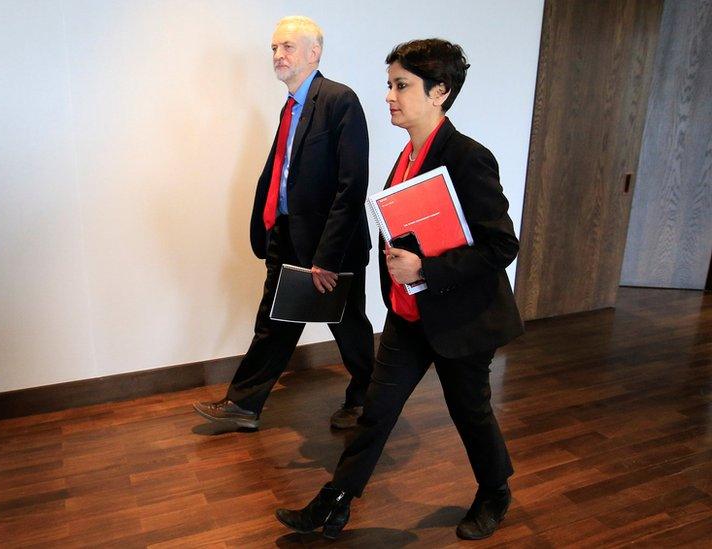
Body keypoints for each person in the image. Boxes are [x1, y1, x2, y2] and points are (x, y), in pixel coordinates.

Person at [274, 38, 524, 540]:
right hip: (409, 318)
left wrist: (426, 270)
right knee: (376, 414)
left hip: (463, 320)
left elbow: (502, 246)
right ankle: (335, 502)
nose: (390, 95)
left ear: (440, 93)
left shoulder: (469, 157)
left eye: (402, 85)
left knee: (470, 414)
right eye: (390, 84)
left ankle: (495, 492)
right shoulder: (408, 156)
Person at [193, 16, 374, 430]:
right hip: (288, 234)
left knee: (348, 328)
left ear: (315, 53)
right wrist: (269, 227)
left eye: (288, 47)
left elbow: (352, 186)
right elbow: (285, 173)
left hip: (332, 246)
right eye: (274, 48)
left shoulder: (339, 100)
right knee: (274, 322)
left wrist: (326, 257)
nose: (278, 55)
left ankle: (369, 397)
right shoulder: (290, 106)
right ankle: (244, 405)